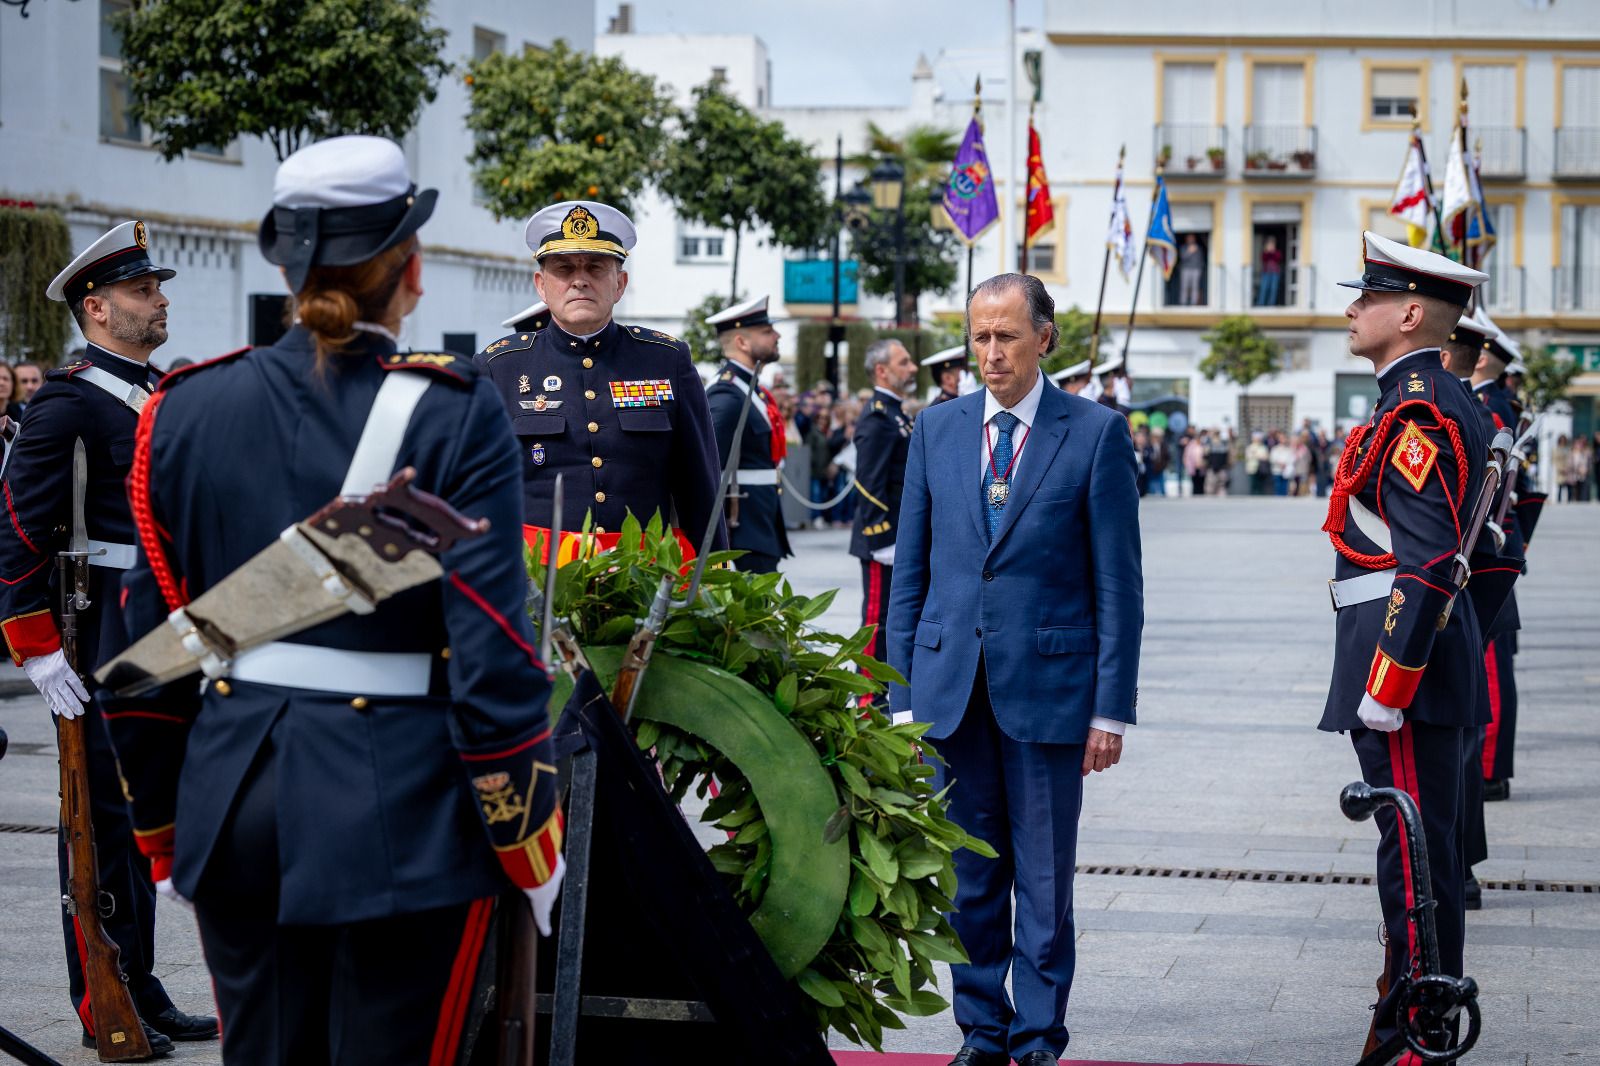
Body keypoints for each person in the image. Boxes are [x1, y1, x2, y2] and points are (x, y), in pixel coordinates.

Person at [105, 135, 564, 1063]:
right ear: (411, 269)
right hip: (402, 812)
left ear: (284, 262)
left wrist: (163, 832)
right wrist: (530, 846)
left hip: (233, 807)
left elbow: (148, 652)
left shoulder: (184, 408)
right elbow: (494, 659)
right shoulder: (453, 408)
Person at [887, 273, 1142, 1066]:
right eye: (979, 338)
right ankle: (980, 1032)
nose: (990, 354)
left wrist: (1111, 710)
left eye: (1006, 336)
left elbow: (1118, 584)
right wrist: (901, 698)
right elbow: (910, 575)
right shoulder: (937, 429)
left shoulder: (1095, 434)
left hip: (1050, 694)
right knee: (967, 878)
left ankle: (1036, 1036)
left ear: (1045, 338)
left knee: (1043, 882)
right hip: (949, 693)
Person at [0, 220, 215, 1058]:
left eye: (156, 288)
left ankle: (144, 984)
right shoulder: (66, 401)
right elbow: (16, 531)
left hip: (156, 634)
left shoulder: (154, 391)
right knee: (95, 823)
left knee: (139, 819)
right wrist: (39, 648)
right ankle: (104, 999)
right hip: (92, 637)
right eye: (141, 290)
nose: (159, 300)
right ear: (96, 307)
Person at [1319, 231, 1490, 1059]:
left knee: (1415, 866)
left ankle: (1416, 1034)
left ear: (1412, 312)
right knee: (1425, 857)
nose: (1353, 308)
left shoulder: (1415, 411)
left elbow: (1425, 568)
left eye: (1370, 297)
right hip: (1427, 663)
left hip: (1407, 673)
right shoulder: (1433, 398)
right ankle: (1411, 1018)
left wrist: (1387, 685)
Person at [473, 200, 724, 560]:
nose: (579, 279)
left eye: (595, 267)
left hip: (643, 576)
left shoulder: (666, 361)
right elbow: (480, 492)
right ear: (541, 286)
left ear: (620, 284)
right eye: (563, 268)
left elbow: (701, 490)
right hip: (541, 580)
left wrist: (714, 581)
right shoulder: (501, 367)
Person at [706, 294, 791, 574]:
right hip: (740, 530)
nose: (776, 336)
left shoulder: (751, 388)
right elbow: (709, 466)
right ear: (741, 342)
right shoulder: (727, 394)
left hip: (758, 523)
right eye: (766, 332)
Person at [849, 339, 916, 671]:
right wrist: (881, 536)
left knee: (894, 616)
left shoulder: (893, 413)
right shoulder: (877, 417)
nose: (913, 367)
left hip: (897, 534)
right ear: (882, 370)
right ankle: (865, 695)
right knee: (877, 618)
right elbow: (869, 481)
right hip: (882, 538)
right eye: (904, 362)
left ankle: (882, 688)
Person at [1177, 232, 1205, 306]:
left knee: (1195, 286)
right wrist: (1189, 252)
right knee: (1184, 286)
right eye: (1189, 238)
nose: (1191, 239)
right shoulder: (1183, 247)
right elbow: (1182, 257)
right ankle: (1183, 303)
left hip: (1196, 269)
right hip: (1185, 269)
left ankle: (1194, 303)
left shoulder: (1199, 248)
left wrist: (1200, 268)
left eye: (1192, 238)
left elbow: (1201, 259)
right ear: (1186, 239)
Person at [1255, 234, 1283, 307]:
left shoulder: (1277, 252)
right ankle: (1261, 303)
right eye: (1269, 244)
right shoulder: (1265, 252)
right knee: (1264, 288)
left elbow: (1278, 259)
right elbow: (1263, 259)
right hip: (1266, 272)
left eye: (1272, 244)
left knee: (1273, 289)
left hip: (1275, 273)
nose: (1271, 245)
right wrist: (1267, 252)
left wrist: (1273, 252)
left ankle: (1271, 304)